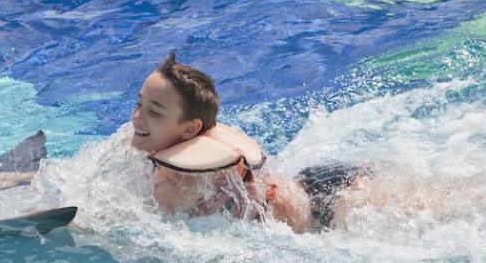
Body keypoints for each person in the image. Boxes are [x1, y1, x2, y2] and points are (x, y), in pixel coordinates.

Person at [131, 51, 374, 233]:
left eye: (155, 112)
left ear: (190, 129)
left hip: (332, 203)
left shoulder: (178, 184)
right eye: (139, 103)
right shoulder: (169, 159)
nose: (137, 117)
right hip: (308, 188)